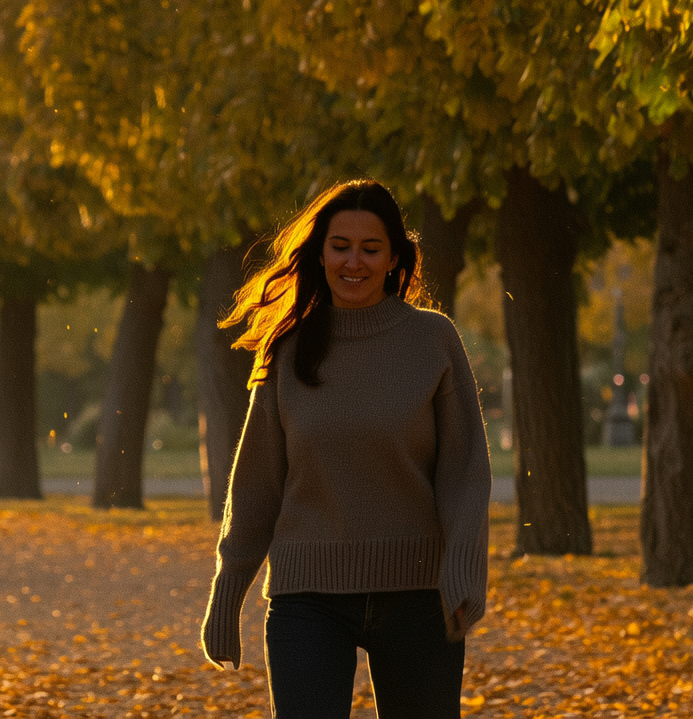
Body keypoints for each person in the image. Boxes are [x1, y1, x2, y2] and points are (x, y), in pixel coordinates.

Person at [199, 180, 492, 719]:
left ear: (393, 258)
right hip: (306, 598)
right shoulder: (287, 347)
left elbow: (465, 470)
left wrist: (462, 568)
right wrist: (228, 589)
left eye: (370, 248)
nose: (353, 261)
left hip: (417, 596)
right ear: (320, 253)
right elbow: (258, 482)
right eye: (340, 246)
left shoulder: (432, 340)